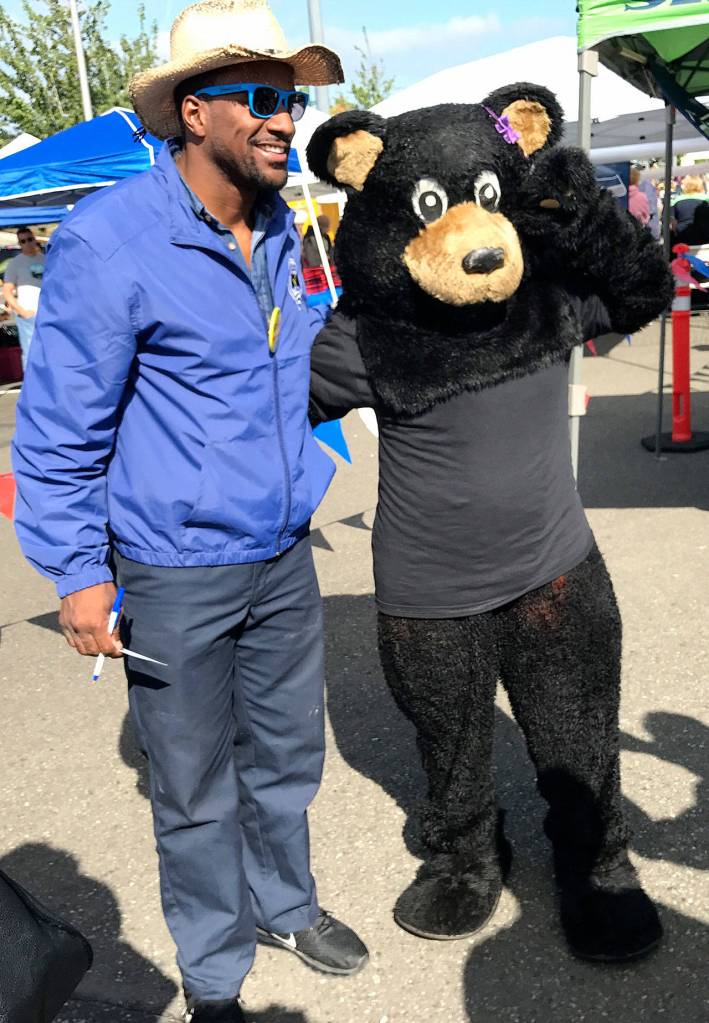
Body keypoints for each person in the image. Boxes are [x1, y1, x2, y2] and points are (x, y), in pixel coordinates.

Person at [12, 2, 367, 1021]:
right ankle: (216, 977)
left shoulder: (279, 222)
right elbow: (60, 429)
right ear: (193, 110)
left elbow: (293, 368)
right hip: (175, 573)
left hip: (283, 555)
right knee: (195, 789)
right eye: (258, 97)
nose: (281, 118)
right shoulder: (109, 242)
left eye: (289, 98)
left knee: (287, 756)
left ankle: (285, 904)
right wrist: (79, 571)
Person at [2, 226, 45, 369]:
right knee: (30, 353)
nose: (27, 243)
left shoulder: (45, 259)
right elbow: (7, 291)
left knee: (49, 350)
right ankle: (32, 387)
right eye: (23, 241)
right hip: (28, 314)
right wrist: (21, 311)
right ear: (19, 244)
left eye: (30, 239)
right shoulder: (15, 263)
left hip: (47, 313)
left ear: (35, 239)